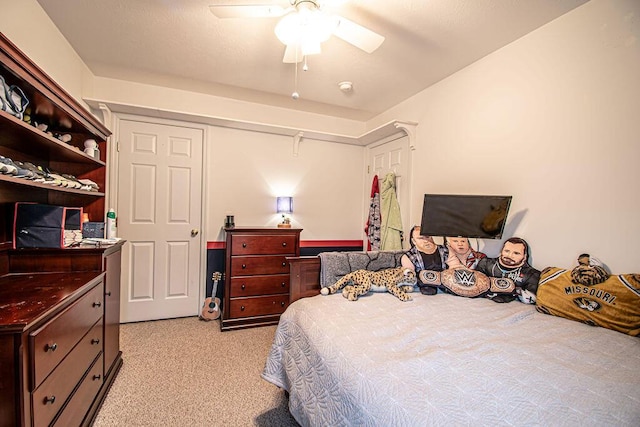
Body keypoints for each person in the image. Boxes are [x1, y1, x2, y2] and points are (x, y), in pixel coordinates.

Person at [475, 237, 540, 304]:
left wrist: (513, 290)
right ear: (501, 251)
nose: (510, 255)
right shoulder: (485, 263)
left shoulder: (531, 274)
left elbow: (531, 299)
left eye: (516, 253)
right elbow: (473, 285)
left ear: (524, 256)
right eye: (507, 251)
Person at [401, 225, 447, 295]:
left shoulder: (444, 250)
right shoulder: (408, 257)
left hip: (445, 281)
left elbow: (454, 265)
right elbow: (410, 277)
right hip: (425, 283)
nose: (426, 241)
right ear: (414, 241)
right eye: (421, 238)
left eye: (427, 237)